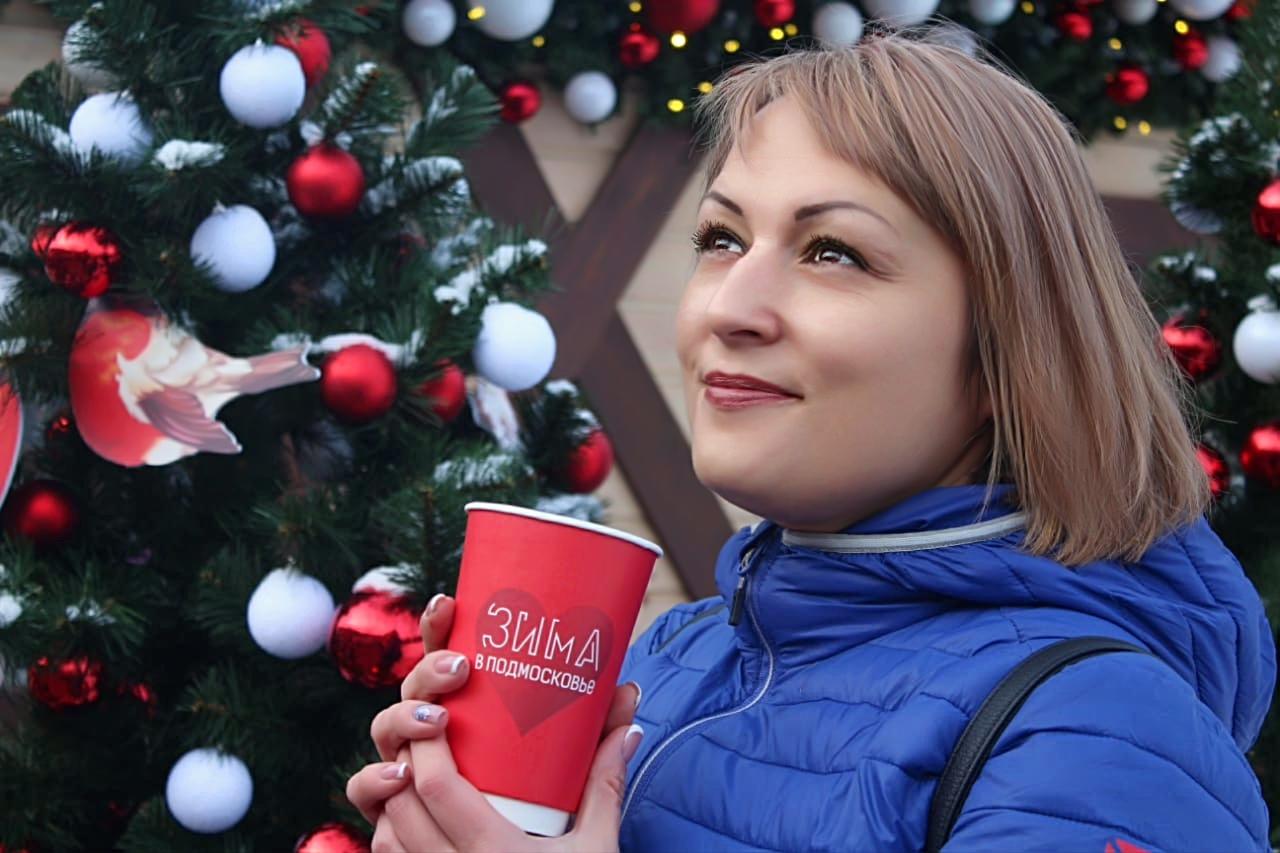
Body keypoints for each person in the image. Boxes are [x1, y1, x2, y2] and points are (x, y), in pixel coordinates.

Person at [345, 27, 1276, 852]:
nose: (730, 308)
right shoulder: (672, 657)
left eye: (834, 252)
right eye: (721, 238)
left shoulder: (1099, 737)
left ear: (1007, 349)